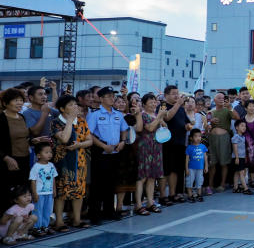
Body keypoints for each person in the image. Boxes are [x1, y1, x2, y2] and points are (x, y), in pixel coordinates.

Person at [87, 87, 131, 224]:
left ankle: (109, 211)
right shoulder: (94, 115)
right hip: (101, 151)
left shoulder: (117, 114)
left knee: (111, 183)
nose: (112, 98)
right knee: (98, 184)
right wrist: (102, 145)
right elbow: (89, 134)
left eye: (113, 96)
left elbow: (124, 129)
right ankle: (95, 214)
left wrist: (123, 141)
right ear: (101, 99)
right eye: (109, 96)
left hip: (116, 151)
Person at [50, 95, 91, 230]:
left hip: (79, 161)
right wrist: (69, 121)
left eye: (75, 104)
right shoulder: (56, 122)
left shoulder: (81, 121)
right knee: (62, 191)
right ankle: (59, 221)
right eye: (71, 105)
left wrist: (79, 144)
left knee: (79, 191)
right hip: (63, 162)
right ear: (62, 109)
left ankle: (77, 219)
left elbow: (89, 140)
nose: (75, 107)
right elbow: (64, 138)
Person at [2, 89, 48, 204]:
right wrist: (6, 158)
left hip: (24, 159)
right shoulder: (1, 118)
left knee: (23, 192)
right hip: (9, 161)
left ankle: (22, 219)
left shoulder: (21, 117)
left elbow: (24, 138)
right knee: (9, 193)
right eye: (15, 100)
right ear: (5, 103)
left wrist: (33, 141)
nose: (19, 103)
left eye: (21, 100)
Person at [133, 93, 167, 215]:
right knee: (142, 176)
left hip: (156, 147)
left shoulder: (157, 115)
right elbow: (150, 128)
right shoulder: (143, 115)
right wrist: (159, 117)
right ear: (144, 104)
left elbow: (164, 127)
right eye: (151, 101)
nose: (154, 103)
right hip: (145, 146)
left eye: (155, 101)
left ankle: (150, 202)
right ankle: (138, 204)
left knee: (152, 177)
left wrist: (161, 118)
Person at [162, 86, 193, 203]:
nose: (176, 95)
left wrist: (188, 126)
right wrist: (178, 104)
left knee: (176, 170)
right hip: (167, 143)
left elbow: (186, 122)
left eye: (177, 93)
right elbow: (167, 117)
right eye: (173, 93)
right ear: (166, 95)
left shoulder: (180, 108)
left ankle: (173, 194)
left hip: (180, 142)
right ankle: (162, 196)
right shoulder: (163, 105)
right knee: (166, 170)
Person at [207, 92, 239, 193]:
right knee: (212, 162)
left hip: (224, 138)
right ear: (214, 100)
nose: (221, 99)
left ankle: (222, 184)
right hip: (212, 138)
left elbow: (237, 118)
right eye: (219, 98)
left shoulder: (227, 110)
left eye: (223, 98)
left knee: (224, 162)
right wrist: (210, 122)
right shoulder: (211, 112)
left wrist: (230, 107)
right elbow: (206, 127)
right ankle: (210, 185)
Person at [28, 142, 57, 236]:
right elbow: (33, 181)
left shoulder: (51, 165)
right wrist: (34, 193)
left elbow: (53, 178)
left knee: (47, 210)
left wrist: (54, 190)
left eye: (50, 152)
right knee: (38, 210)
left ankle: (45, 226)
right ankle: (36, 227)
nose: (49, 154)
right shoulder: (36, 167)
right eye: (46, 152)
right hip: (39, 193)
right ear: (39, 155)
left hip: (49, 193)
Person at [231, 120, 253, 195]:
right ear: (237, 127)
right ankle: (245, 188)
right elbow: (235, 147)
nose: (244, 127)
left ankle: (235, 187)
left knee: (237, 172)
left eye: (245, 126)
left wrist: (245, 157)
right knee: (241, 172)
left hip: (242, 157)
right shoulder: (235, 137)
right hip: (238, 157)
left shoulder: (243, 137)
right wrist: (237, 157)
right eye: (242, 126)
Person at [185, 129, 208, 202]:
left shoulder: (203, 146)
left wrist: (206, 166)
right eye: (196, 136)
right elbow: (187, 159)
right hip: (191, 168)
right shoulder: (189, 147)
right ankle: (190, 195)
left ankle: (199, 194)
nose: (198, 138)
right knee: (190, 181)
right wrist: (186, 169)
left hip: (200, 168)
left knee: (199, 181)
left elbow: (205, 157)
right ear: (191, 138)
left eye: (199, 136)